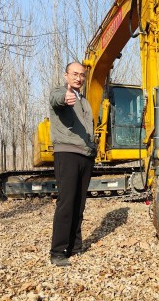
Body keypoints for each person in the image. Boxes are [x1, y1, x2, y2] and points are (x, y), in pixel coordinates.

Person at [49, 62, 96, 267]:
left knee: (79, 204)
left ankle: (75, 246)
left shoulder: (84, 101)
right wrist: (64, 98)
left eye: (82, 75)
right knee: (66, 203)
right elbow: (57, 100)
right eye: (75, 74)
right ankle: (57, 252)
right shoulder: (61, 92)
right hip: (67, 153)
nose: (78, 78)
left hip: (86, 156)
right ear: (66, 75)